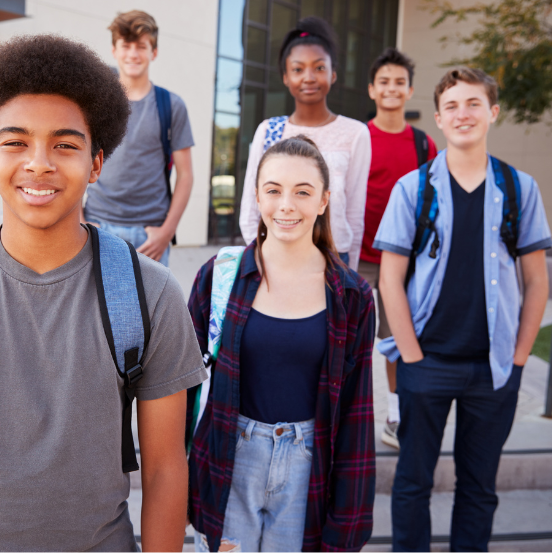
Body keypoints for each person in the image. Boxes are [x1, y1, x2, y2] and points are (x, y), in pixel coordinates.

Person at [0, 35, 207, 552]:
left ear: (96, 163)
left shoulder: (148, 294)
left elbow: (164, 468)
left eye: (66, 145)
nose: (39, 163)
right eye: (15, 142)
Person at [375, 67, 550, 551]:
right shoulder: (414, 190)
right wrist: (409, 355)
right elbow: (389, 278)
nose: (463, 113)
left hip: (493, 369)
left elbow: (537, 279)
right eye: (452, 106)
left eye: (474, 103)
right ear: (438, 118)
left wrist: (519, 357)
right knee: (412, 484)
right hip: (425, 363)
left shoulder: (519, 188)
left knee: (479, 489)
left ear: (492, 112)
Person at [187, 135, 376, 552]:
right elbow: (183, 389)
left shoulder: (351, 295)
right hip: (229, 460)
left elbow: (357, 412)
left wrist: (347, 521)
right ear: (256, 196)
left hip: (308, 467)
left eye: (302, 192)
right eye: (273, 190)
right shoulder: (220, 277)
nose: (286, 205)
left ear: (324, 200)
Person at [239, 16, 370, 271]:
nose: (309, 77)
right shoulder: (269, 131)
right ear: (286, 77)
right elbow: (250, 208)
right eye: (298, 69)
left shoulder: (356, 133)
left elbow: (354, 214)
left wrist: (350, 270)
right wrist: (259, 258)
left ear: (333, 74)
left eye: (319, 68)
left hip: (335, 258)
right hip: (275, 257)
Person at [359, 47, 437, 450]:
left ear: (409, 91)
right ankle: (346, 419)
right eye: (384, 81)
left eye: (399, 82)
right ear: (372, 89)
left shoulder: (423, 145)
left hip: (402, 260)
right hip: (357, 255)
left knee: (396, 341)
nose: (391, 88)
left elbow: (434, 204)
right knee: (349, 341)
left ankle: (395, 417)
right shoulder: (359, 137)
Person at [82, 10, 195, 267]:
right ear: (114, 50)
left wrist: (167, 232)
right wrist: (80, 219)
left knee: (148, 308)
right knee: (95, 307)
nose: (133, 54)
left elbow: (186, 176)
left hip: (150, 234)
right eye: (126, 45)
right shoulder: (96, 104)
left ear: (153, 52)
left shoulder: (171, 106)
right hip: (98, 225)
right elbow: (78, 159)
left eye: (141, 46)